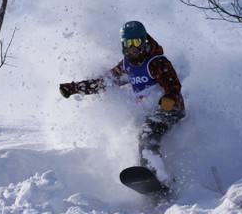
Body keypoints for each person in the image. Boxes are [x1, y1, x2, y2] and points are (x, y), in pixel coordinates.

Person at [59, 21, 185, 185]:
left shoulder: (157, 62)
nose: (131, 48)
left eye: (135, 42)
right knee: (139, 134)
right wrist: (75, 88)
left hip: (170, 109)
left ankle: (160, 177)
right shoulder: (127, 65)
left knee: (147, 133)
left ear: (144, 41)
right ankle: (149, 176)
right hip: (152, 111)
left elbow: (173, 86)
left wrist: (168, 99)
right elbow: (104, 82)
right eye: (127, 43)